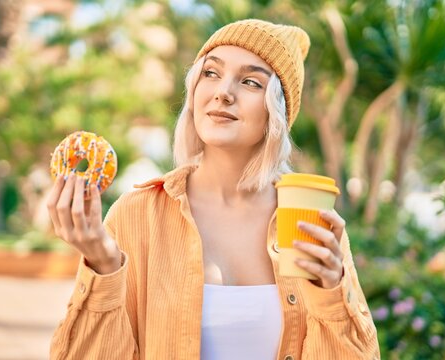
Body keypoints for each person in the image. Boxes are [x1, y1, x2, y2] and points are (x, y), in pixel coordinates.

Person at [47, 19, 380, 360]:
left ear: (277, 112)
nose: (223, 91)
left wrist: (332, 296)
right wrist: (103, 266)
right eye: (211, 73)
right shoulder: (137, 214)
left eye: (250, 82)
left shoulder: (310, 223)